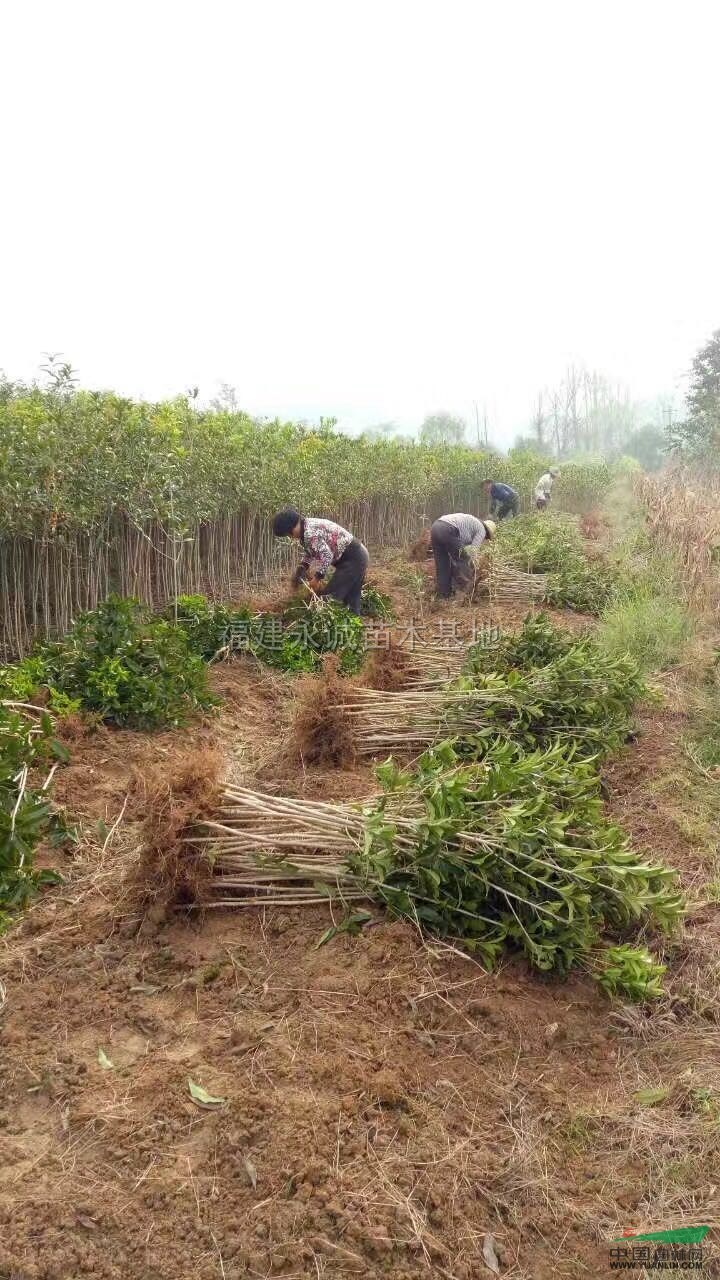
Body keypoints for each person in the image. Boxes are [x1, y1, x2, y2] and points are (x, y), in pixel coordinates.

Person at [272, 509, 369, 615]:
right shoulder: (306, 528)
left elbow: (327, 556)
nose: (291, 537)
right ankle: (353, 627)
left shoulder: (310, 533)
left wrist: (317, 578)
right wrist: (302, 567)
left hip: (354, 558)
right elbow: (311, 552)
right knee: (351, 599)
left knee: (329, 598)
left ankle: (328, 628)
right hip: (358, 555)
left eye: (289, 534)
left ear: (292, 526)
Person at [430, 513, 496, 598]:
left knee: (443, 565)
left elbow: (460, 547)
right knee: (464, 559)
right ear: (487, 533)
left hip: (436, 527)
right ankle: (461, 593)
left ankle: (444, 596)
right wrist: (474, 568)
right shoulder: (482, 530)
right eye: (487, 537)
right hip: (448, 529)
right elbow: (473, 551)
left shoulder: (473, 523)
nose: (485, 539)